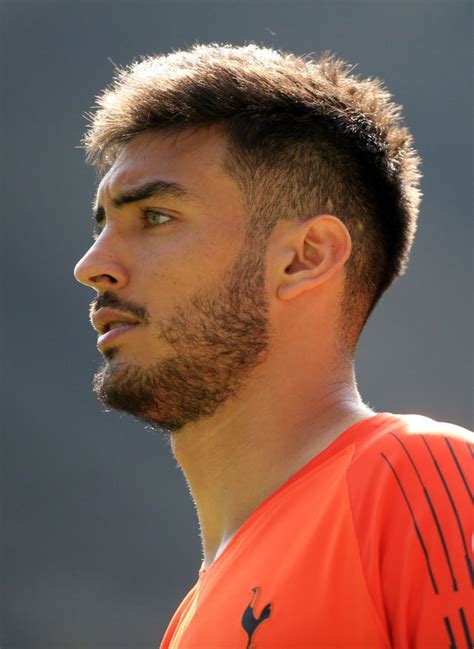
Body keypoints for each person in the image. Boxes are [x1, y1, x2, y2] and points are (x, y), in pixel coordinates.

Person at [74, 44, 472, 648]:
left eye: (155, 217)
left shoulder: (419, 478)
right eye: (101, 224)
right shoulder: (185, 625)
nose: (92, 266)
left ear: (304, 258)